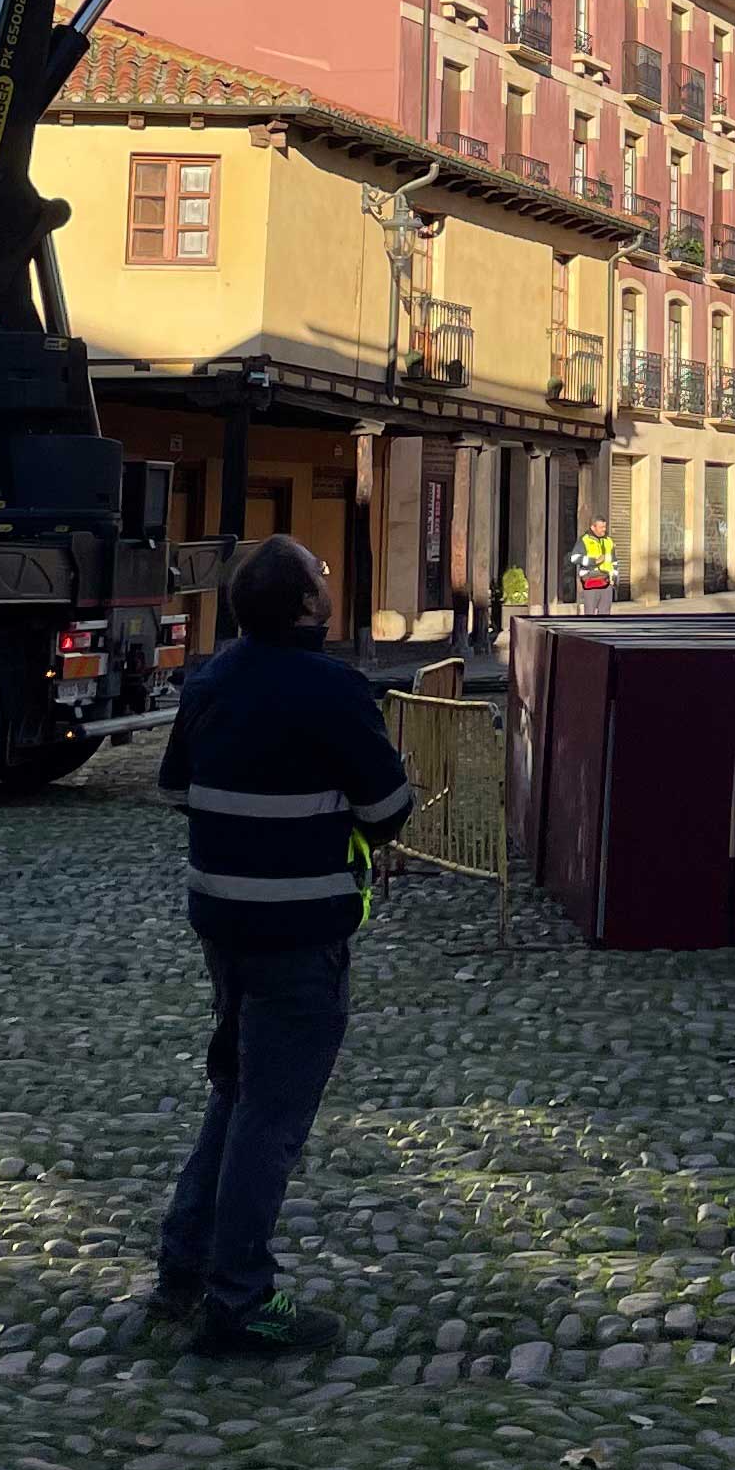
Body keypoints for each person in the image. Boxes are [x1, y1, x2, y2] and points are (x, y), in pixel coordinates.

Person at [149, 536, 411, 1357]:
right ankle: (240, 1298)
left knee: (234, 1093)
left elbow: (174, 788)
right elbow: (389, 807)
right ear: (305, 607)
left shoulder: (210, 679)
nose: (329, 582)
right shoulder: (333, 688)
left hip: (222, 921)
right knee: (272, 1115)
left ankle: (182, 1270)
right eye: (321, 576)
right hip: (301, 926)